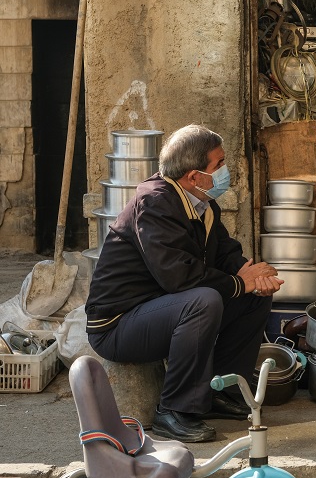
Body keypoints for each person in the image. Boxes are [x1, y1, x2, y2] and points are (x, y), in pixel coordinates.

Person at [85, 124, 283, 443]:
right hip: (117, 325)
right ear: (194, 176)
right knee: (203, 301)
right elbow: (179, 276)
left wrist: (254, 276)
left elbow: (225, 253)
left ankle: (219, 390)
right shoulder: (154, 203)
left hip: (161, 310)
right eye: (219, 164)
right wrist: (238, 283)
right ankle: (174, 411)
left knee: (254, 297)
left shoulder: (203, 204)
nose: (226, 171)